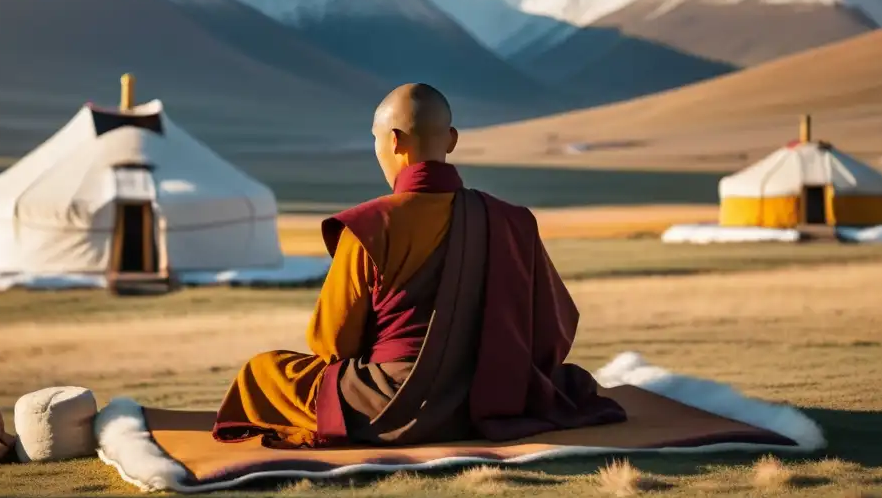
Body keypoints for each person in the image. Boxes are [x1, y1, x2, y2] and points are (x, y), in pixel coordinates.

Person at [213, 83, 626, 448]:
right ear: (450, 139)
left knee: (263, 372)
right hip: (499, 397)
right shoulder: (512, 220)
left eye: (375, 140)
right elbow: (555, 327)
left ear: (393, 142)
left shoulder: (369, 227)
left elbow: (332, 344)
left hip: (392, 404)